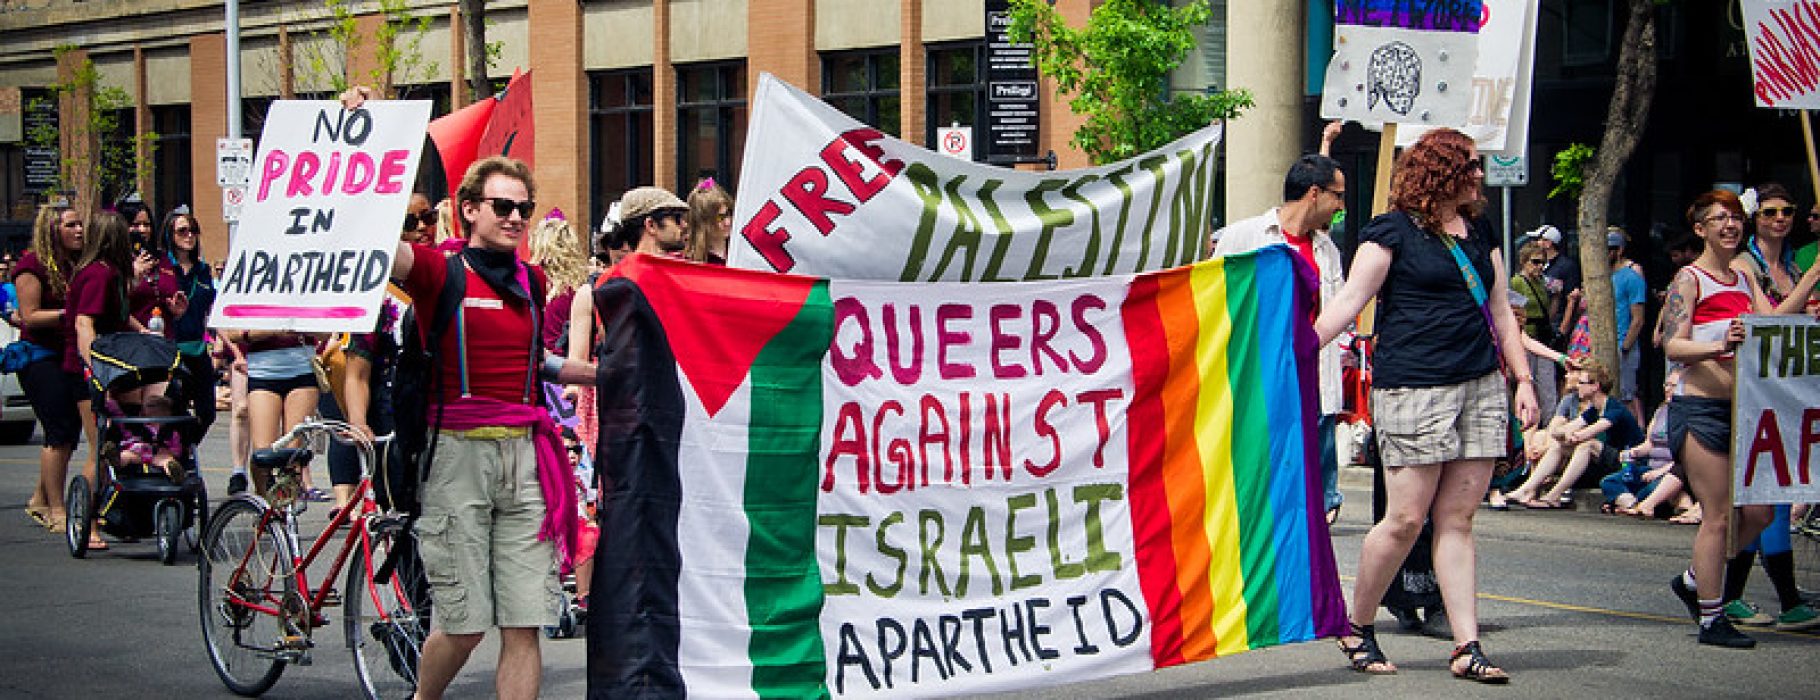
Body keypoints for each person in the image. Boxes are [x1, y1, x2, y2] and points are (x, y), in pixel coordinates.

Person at [1313, 128, 1537, 683]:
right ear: (1442, 171)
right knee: (1406, 519)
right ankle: (1358, 625)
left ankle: (1467, 646)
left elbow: (1503, 314)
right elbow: (1349, 301)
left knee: (1457, 520)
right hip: (1414, 388)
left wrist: (1524, 381)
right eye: (1472, 165)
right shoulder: (1391, 232)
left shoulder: (1480, 231)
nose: (1481, 175)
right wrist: (1294, 347)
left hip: (1480, 386)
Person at [385, 155, 597, 700]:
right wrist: (362, 139)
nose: (515, 218)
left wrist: (606, 374)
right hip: (456, 460)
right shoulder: (438, 271)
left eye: (523, 208)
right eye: (502, 207)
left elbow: (535, 362)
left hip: (525, 458)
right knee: (463, 626)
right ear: (469, 210)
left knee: (525, 623)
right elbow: (376, 247)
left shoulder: (532, 278)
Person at [1661, 189, 1820, 648]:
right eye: (1720, 219)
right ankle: (1712, 618)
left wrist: (1810, 278)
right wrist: (1720, 345)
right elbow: (1673, 344)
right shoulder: (1688, 279)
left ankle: (1694, 579)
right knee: (1716, 516)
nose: (1731, 225)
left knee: (1759, 511)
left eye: (1736, 218)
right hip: (1700, 409)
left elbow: (1772, 324)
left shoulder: (1742, 278)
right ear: (1701, 229)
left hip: (1747, 411)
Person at [1212, 153, 1349, 525]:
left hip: (1312, 377)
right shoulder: (1245, 236)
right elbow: (1218, 299)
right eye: (1337, 196)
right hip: (1259, 377)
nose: (1340, 206)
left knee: (1307, 483)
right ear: (1314, 193)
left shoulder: (1327, 251)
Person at [67, 211, 148, 550]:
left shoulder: (111, 275)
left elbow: (118, 315)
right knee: (99, 447)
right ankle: (92, 524)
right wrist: (96, 367)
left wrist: (145, 334)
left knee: (121, 441)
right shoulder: (98, 276)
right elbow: (84, 324)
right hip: (93, 370)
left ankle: (121, 513)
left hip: (116, 365)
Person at [12, 204, 88, 534]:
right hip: (39, 356)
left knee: (70, 431)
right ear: (52, 229)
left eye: (80, 224)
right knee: (58, 430)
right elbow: (29, 315)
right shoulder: (32, 266)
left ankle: (40, 497)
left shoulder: (76, 263)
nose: (79, 230)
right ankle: (55, 508)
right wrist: (67, 312)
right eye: (71, 225)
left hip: (68, 355)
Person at [1498, 358, 1641, 509]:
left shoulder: (1614, 408)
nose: (1577, 386)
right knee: (1558, 447)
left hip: (1630, 460)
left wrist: (1571, 435)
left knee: (1587, 445)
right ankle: (1527, 489)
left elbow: (1589, 432)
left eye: (1581, 382)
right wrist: (1564, 434)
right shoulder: (1593, 410)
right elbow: (1560, 431)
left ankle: (1554, 495)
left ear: (1595, 386)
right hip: (1608, 459)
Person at [226, 326, 322, 498]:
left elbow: (328, 331)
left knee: (293, 455)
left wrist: (302, 327)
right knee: (263, 454)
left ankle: (287, 512)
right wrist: (271, 331)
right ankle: (265, 507)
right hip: (263, 372)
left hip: (303, 369)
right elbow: (233, 334)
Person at [162, 208, 217, 432]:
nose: (189, 236)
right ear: (170, 236)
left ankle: (183, 448)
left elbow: (211, 307)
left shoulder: (203, 270)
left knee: (207, 413)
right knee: (175, 407)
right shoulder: (163, 268)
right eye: (182, 231)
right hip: (170, 348)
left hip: (197, 347)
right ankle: (173, 455)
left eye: (194, 230)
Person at [1511, 240, 1563, 410]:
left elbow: (1548, 313)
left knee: (1547, 385)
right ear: (1524, 262)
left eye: (1543, 262)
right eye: (1535, 262)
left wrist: (1556, 297)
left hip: (1542, 335)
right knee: (1529, 380)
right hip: (1526, 335)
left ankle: (1549, 422)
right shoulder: (1518, 282)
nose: (1539, 266)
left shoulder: (1542, 282)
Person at [1607, 228, 1648, 420]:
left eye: (1609, 249)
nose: (1605, 254)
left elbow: (1638, 319)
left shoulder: (1631, 277)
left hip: (1624, 346)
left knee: (1627, 396)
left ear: (1619, 250)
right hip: (1607, 343)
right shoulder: (1604, 277)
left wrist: (1624, 347)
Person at [114, 394, 186, 481]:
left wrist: (170, 452)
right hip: (138, 454)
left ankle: (175, 473)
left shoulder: (170, 433)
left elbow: (177, 449)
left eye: (151, 406)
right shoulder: (137, 426)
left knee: (168, 461)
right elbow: (120, 417)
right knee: (125, 456)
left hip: (157, 456)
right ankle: (115, 462)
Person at [684, 178, 734, 265]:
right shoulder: (688, 261)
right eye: (719, 218)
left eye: (728, 213)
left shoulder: (741, 250)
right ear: (703, 223)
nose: (727, 222)